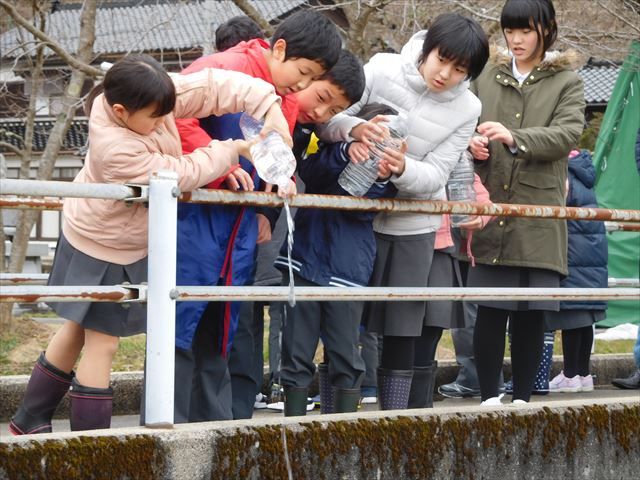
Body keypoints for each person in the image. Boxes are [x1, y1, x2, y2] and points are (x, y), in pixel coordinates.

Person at [8, 54, 287, 435]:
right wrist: (232, 149)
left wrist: (269, 107)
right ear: (121, 112)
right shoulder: (116, 148)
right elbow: (181, 174)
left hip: (93, 229)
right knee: (103, 345)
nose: (163, 122)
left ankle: (29, 420)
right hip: (107, 245)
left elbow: (211, 86)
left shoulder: (147, 96)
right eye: (155, 118)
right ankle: (91, 450)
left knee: (76, 329)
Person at [172, 10, 342, 423]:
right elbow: (172, 114)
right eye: (302, 72)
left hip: (239, 223)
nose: (301, 85)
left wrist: (281, 178)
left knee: (221, 328)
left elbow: (275, 149)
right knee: (180, 322)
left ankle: (214, 429)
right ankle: (169, 425)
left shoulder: (284, 95)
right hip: (195, 214)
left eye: (311, 78)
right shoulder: (222, 66)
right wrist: (220, 162)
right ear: (279, 49)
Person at [319, 12, 490, 410]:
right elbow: (327, 118)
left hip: (412, 224)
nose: (445, 74)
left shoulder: (468, 107)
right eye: (441, 60)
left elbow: (438, 174)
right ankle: (333, 420)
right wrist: (355, 131)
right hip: (351, 213)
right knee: (343, 324)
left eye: (459, 70)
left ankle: (398, 422)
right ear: (428, 48)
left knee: (403, 327)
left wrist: (402, 168)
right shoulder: (381, 67)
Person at [228, 49, 370, 419]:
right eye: (321, 96)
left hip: (329, 258)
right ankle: (257, 413)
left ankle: (248, 411)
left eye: (333, 109)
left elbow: (289, 171)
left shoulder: (307, 127)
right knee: (272, 331)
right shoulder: (264, 103)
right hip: (272, 238)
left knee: (341, 345)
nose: (320, 112)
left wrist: (265, 213)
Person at [467, 0, 586, 405]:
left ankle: (522, 400)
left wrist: (514, 137)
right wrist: (472, 143)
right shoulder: (486, 73)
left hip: (538, 211)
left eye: (526, 31)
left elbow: (567, 134)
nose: (515, 39)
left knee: (532, 313)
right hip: (492, 204)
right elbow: (463, 121)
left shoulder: (566, 81)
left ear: (546, 30)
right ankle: (487, 398)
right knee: (490, 308)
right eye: (509, 30)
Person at [274, 102, 398, 417]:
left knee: (345, 349)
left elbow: (364, 206)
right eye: (370, 133)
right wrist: (344, 151)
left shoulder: (389, 170)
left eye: (384, 138)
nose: (375, 142)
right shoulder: (330, 148)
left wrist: (380, 177)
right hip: (305, 256)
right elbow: (309, 173)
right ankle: (293, 424)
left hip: (348, 266)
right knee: (296, 347)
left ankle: (345, 426)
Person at [407, 152, 492, 409]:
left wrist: (481, 214)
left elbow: (480, 195)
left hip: (442, 249)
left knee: (431, 330)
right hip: (403, 244)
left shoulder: (456, 153)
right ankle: (398, 406)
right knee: (398, 331)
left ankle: (419, 409)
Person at [544, 149, 608, 393]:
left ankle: (570, 374)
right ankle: (583, 373)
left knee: (572, 316)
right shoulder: (583, 170)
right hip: (591, 252)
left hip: (573, 251)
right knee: (585, 316)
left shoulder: (563, 171)